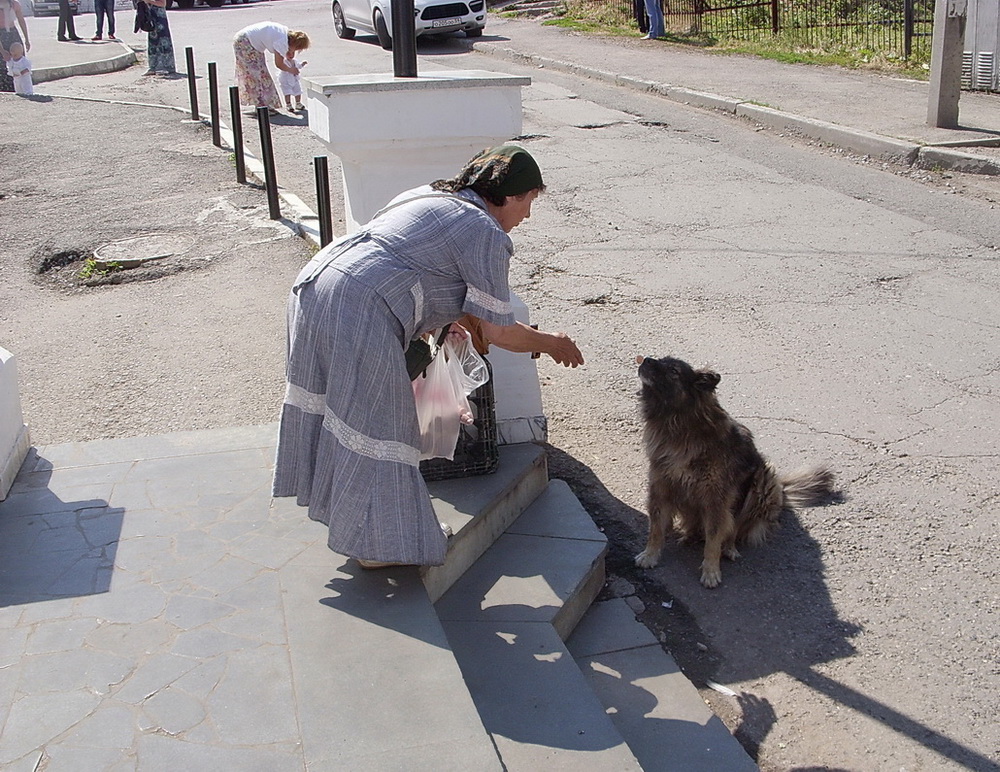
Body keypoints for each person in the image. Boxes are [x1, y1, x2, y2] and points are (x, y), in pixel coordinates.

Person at [272, 145, 585, 569]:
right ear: (510, 195)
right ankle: (378, 548)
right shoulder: (485, 232)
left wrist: (443, 321)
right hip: (362, 307)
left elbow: (412, 264)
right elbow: (499, 332)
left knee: (345, 413)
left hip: (316, 285)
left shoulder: (431, 195)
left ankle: (356, 527)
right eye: (530, 201)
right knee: (384, 426)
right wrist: (552, 342)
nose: (527, 215)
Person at [232, 22, 309, 114]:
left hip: (245, 39)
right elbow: (279, 64)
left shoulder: (284, 33)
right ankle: (261, 107)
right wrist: (291, 70)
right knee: (257, 75)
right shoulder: (282, 42)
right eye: (296, 49)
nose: (295, 51)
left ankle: (266, 105)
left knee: (259, 74)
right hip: (245, 42)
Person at [0, 0, 29, 93]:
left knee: (19, 61)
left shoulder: (14, 4)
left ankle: (23, 89)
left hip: (13, 34)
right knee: (3, 64)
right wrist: (2, 50)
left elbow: (21, 20)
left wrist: (26, 39)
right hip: (1, 35)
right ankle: (7, 91)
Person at [142, 0, 174, 76]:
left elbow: (163, 4)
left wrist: (149, 1)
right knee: (152, 42)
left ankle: (167, 66)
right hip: (151, 18)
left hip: (160, 18)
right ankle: (153, 67)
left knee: (164, 41)